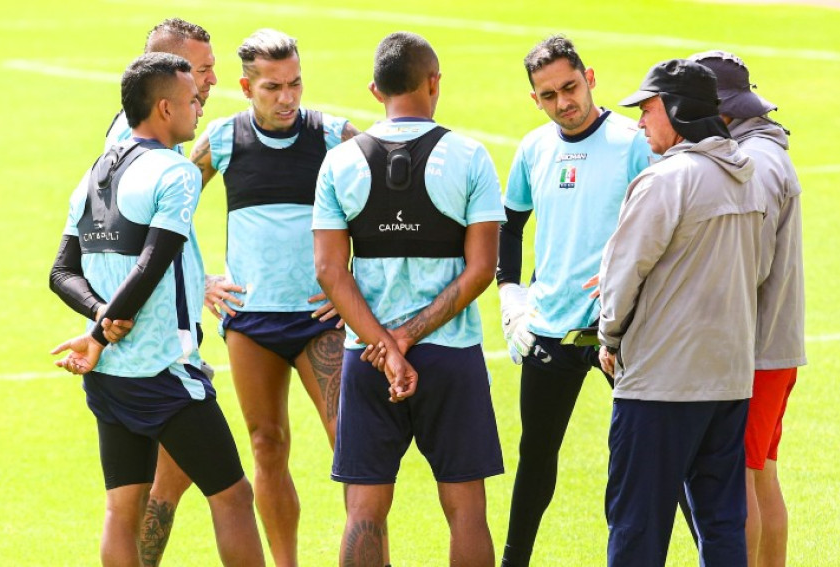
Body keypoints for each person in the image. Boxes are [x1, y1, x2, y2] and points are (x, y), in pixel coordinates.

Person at [49, 52, 265, 567]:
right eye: (193, 101)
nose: (199, 110)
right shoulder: (175, 172)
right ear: (165, 108)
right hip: (164, 372)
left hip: (109, 378)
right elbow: (151, 266)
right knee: (233, 498)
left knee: (121, 512)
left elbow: (60, 274)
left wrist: (99, 320)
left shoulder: (94, 173)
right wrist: (103, 331)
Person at [313, 31, 505, 567]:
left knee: (365, 510)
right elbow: (483, 267)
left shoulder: (341, 162)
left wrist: (385, 345)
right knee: (466, 507)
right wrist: (409, 337)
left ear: (376, 91)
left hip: (367, 357)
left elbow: (330, 270)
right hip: (452, 356)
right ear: (434, 82)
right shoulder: (470, 156)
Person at [187, 28, 363, 567]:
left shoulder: (335, 136)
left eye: (295, 84)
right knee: (267, 445)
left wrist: (354, 287)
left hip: (321, 319)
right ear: (245, 87)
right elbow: (166, 214)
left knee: (352, 449)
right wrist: (201, 281)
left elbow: (385, 205)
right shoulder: (221, 140)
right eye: (272, 87)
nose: (288, 97)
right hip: (250, 321)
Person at [597, 59, 765, 566]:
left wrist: (610, 337)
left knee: (636, 527)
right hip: (729, 380)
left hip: (662, 385)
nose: (640, 121)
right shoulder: (748, 177)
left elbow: (623, 275)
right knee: (720, 525)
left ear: (676, 109)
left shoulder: (665, 181)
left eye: (647, 108)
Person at [495, 35, 654, 566]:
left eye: (569, 87)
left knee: (653, 456)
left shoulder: (634, 142)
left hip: (622, 330)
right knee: (535, 458)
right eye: (548, 95)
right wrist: (510, 294)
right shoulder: (533, 148)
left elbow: (659, 229)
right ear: (534, 100)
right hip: (550, 331)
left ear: (590, 77)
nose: (563, 102)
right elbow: (510, 224)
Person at [101, 18, 226, 565]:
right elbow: (142, 255)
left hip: (132, 353)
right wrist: (110, 320)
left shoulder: (140, 143)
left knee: (136, 499)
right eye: (200, 71)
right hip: (156, 356)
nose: (210, 82)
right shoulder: (145, 152)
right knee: (232, 495)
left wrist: (197, 281)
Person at [689, 50, 806, 567]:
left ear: (724, 111)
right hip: (773, 345)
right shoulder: (766, 150)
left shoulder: (753, 164)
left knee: (736, 484)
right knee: (760, 475)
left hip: (753, 350)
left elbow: (745, 263)